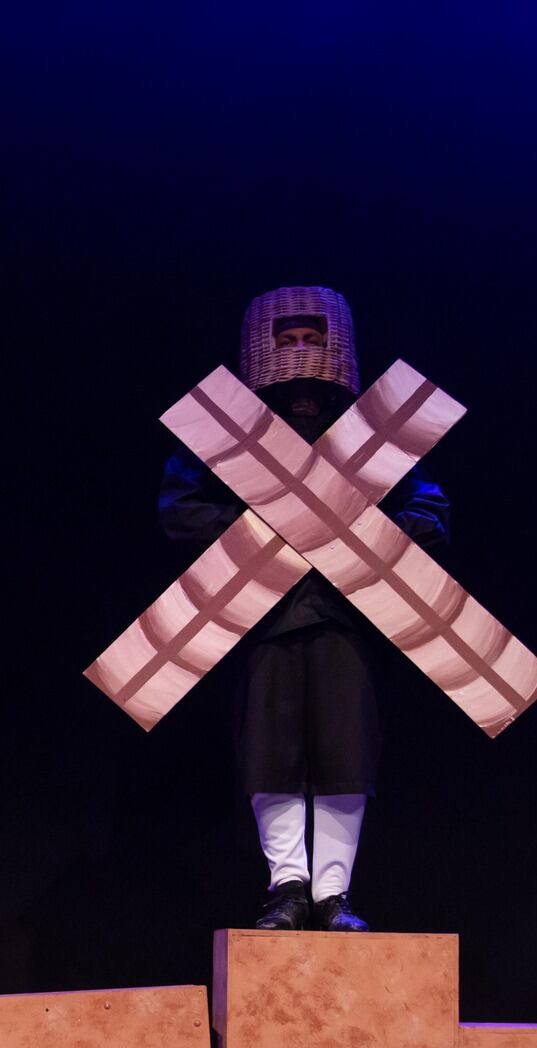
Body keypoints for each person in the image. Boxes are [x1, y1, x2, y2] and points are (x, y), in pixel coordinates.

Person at [159, 288, 451, 931]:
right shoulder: (228, 431)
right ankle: (287, 887)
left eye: (311, 338)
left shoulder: (370, 430)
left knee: (347, 748)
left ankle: (333, 894)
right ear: (264, 345)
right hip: (266, 613)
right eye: (286, 338)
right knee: (272, 748)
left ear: (334, 343)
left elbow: (429, 510)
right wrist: (272, 533)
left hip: (346, 613)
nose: (299, 349)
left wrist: (361, 538)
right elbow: (180, 509)